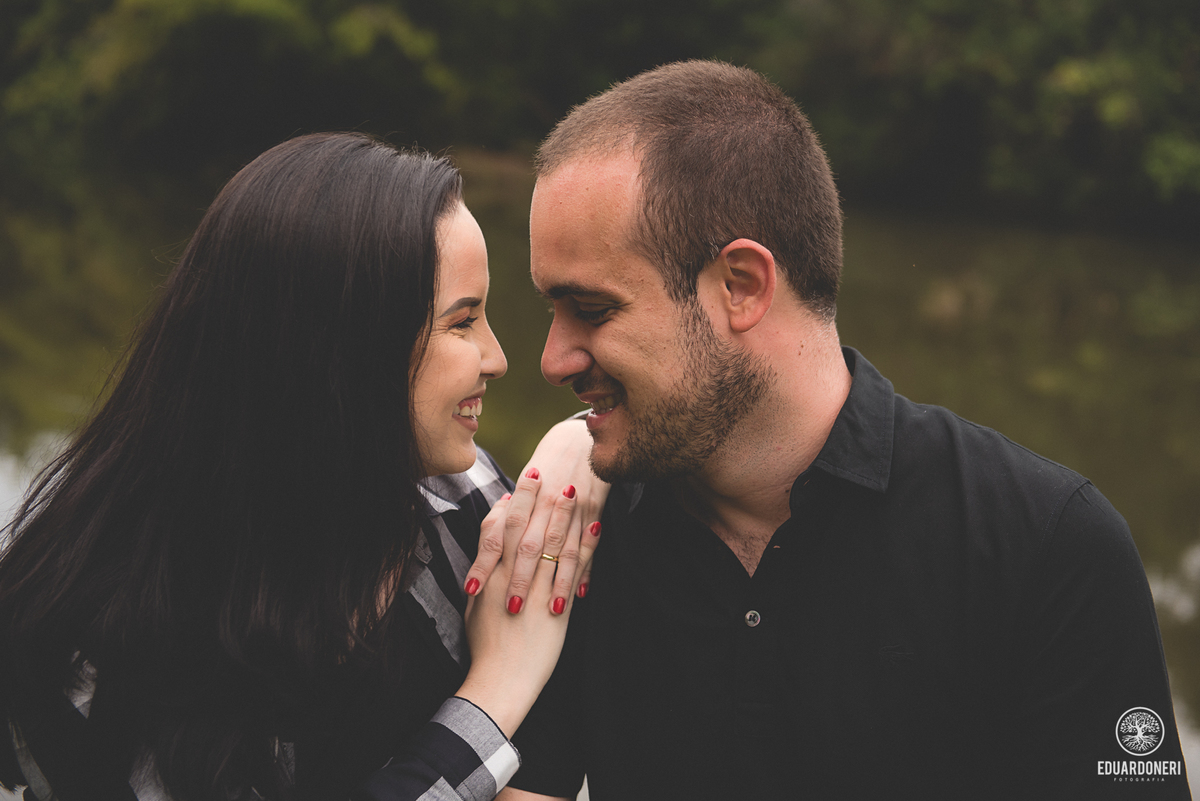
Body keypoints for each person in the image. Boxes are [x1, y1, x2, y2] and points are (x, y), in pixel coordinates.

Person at [496, 61, 1192, 799]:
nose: (549, 359)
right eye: (550, 308)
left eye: (593, 309)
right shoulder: (570, 535)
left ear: (742, 286)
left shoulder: (1051, 545)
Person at [0, 132, 605, 801]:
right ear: (342, 352)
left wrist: (579, 444)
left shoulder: (459, 498)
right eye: (462, 322)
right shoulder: (97, 637)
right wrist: (492, 694)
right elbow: (517, 694)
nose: (498, 358)